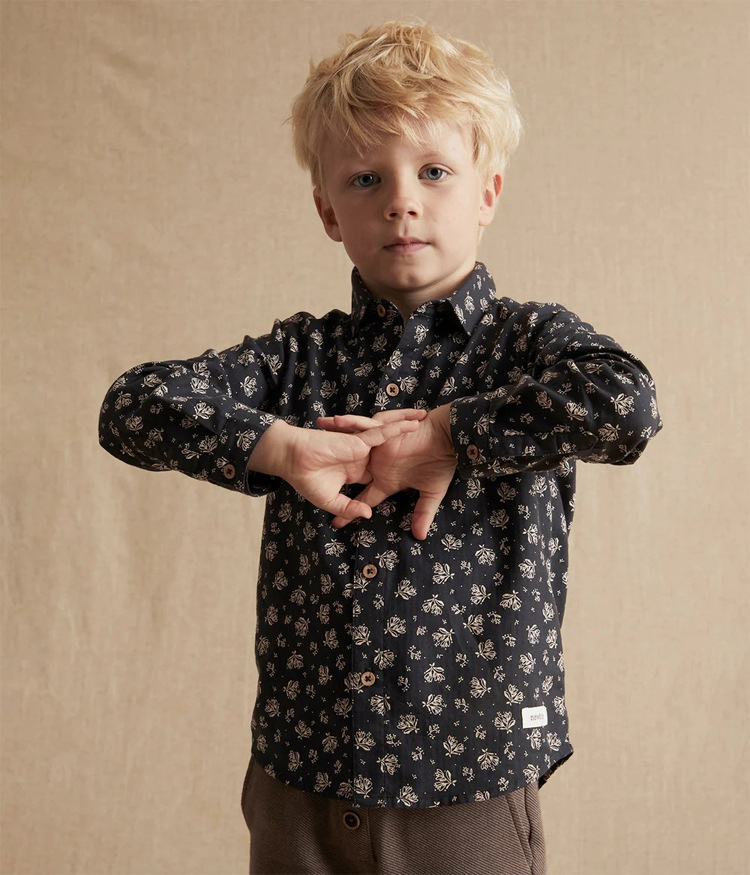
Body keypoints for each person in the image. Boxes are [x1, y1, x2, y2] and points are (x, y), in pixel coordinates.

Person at [98, 19, 662, 875]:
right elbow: (131, 407)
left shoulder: (526, 346)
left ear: (487, 192)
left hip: (469, 777)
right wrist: (278, 446)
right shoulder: (299, 357)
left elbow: (627, 405)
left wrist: (451, 433)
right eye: (366, 178)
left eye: (434, 172)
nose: (402, 200)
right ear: (328, 211)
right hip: (301, 775)